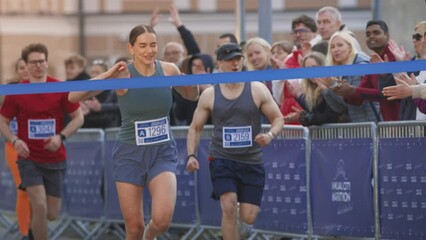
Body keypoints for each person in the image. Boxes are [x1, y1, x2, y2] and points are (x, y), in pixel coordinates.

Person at [68, 25, 199, 240]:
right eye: (143, 46)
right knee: (134, 227)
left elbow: (192, 96)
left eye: (153, 45)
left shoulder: (168, 70)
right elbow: (73, 96)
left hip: (162, 151)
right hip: (129, 154)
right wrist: (109, 74)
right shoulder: (123, 74)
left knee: (163, 219)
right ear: (131, 48)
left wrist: (191, 83)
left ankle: (151, 235)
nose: (149, 50)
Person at [186, 43, 284, 240]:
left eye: (238, 59)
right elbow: (195, 127)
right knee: (228, 207)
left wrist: (270, 135)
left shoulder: (257, 88)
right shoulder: (210, 94)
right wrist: (191, 155)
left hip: (251, 160)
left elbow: (278, 118)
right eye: (230, 60)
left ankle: (240, 210)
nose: (235, 63)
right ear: (219, 63)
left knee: (248, 216)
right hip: (222, 159)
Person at [0, 43, 84, 240]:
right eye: (33, 62)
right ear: (26, 65)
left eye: (41, 61)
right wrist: (14, 139)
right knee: (38, 204)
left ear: (47, 63)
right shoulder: (17, 92)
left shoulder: (60, 88)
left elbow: (79, 117)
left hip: (55, 157)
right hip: (28, 158)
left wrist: (60, 136)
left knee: (51, 213)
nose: (38, 65)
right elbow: (2, 121)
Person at [331, 20, 400, 121]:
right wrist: (338, 89)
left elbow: (390, 93)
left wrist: (352, 90)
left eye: (376, 32)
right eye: (368, 34)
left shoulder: (396, 57)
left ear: (387, 35)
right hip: (386, 123)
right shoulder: (372, 62)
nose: (371, 36)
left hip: (401, 121)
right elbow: (358, 99)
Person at [2, 58, 33, 240]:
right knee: (24, 188)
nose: (25, 71)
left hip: (37, 147)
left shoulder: (42, 88)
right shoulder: (9, 90)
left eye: (27, 67)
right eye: (21, 68)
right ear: (17, 70)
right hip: (14, 145)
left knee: (36, 190)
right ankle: (24, 232)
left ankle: (34, 228)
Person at [326, 31, 380, 122]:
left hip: (370, 122)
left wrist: (333, 86)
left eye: (340, 45)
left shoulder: (360, 66)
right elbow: (340, 108)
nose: (335, 49)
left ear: (350, 47)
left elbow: (356, 101)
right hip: (357, 124)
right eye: (332, 47)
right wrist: (326, 90)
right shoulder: (341, 70)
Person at [284, 52, 348, 125]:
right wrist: (302, 114)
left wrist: (302, 117)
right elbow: (315, 112)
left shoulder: (333, 84)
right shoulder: (312, 89)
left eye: (314, 67)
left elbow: (328, 117)